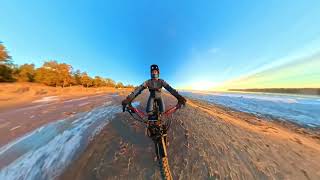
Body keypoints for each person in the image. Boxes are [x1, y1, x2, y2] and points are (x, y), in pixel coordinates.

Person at [122, 64, 186, 114]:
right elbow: (138, 89)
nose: (154, 73)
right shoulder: (148, 82)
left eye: (155, 71)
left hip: (159, 97)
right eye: (153, 72)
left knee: (162, 111)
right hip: (152, 97)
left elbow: (170, 89)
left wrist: (179, 97)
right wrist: (128, 99)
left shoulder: (161, 81)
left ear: (158, 73)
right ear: (151, 73)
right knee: (148, 111)